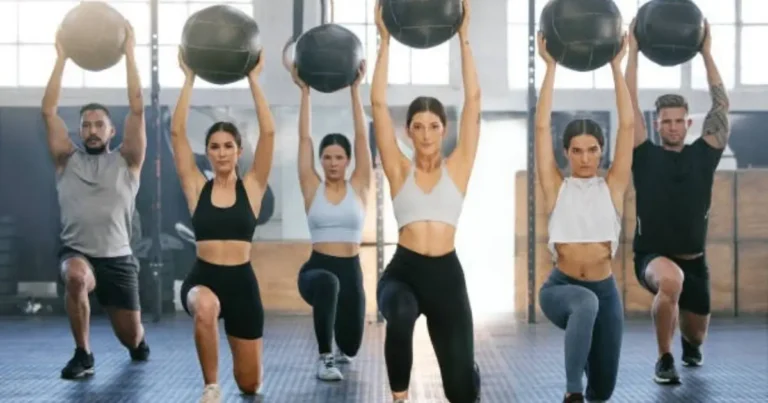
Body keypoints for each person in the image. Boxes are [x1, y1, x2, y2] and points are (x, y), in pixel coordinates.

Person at [370, 1, 481, 402]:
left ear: (444, 129)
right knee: (400, 313)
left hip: (446, 277)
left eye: (434, 126)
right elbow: (378, 104)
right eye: (418, 127)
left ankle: (467, 374)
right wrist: (384, 41)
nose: (427, 134)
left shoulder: (459, 166)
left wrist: (463, 38)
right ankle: (399, 398)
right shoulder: (399, 169)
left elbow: (474, 101)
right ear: (408, 132)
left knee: (461, 393)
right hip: (405, 272)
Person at [42, 22, 149, 380]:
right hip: (78, 253)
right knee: (74, 276)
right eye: (86, 125)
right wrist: (62, 58)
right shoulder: (65, 160)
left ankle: (138, 342)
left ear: (111, 130)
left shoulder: (128, 161)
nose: (92, 130)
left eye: (99, 124)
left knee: (131, 337)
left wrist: (129, 54)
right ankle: (83, 354)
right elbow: (48, 112)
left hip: (118, 258)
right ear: (79, 130)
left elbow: (137, 109)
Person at [625, 20, 729, 384]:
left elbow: (721, 104)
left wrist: (706, 52)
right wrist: (633, 52)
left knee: (696, 336)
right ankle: (664, 360)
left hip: (695, 261)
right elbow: (628, 102)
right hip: (653, 258)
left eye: (678, 121)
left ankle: (687, 345)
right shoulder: (644, 155)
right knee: (671, 281)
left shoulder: (704, 153)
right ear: (656, 125)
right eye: (665, 121)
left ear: (688, 124)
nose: (672, 126)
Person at [171, 48, 275, 403]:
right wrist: (188, 79)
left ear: (239, 151)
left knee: (250, 384)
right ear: (208, 153)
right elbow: (177, 133)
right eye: (214, 147)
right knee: (204, 307)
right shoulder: (196, 188)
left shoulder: (253, 188)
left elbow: (269, 133)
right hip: (204, 277)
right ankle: (211, 387)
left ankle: (236, 381)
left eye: (228, 146)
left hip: (242, 284)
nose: (221, 152)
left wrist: (253, 79)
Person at [535, 32, 633, 403]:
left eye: (592, 150)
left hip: (605, 292)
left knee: (603, 391)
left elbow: (627, 127)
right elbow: (541, 127)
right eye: (577, 151)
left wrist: (616, 66)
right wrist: (550, 67)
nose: (585, 158)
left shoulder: (613, 187)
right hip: (560, 289)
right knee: (584, 304)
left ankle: (589, 386)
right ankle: (572, 391)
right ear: (566, 153)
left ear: (601, 151)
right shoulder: (555, 187)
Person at [289, 61, 371, 381]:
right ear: (320, 160)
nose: (333, 163)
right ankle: (324, 358)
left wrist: (355, 90)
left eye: (339, 157)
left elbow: (362, 137)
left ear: (348, 161)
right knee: (328, 284)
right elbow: (304, 139)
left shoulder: (360, 187)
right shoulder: (312, 187)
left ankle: (338, 347)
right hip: (317, 270)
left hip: (351, 271)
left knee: (350, 346)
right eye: (327, 157)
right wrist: (304, 92)